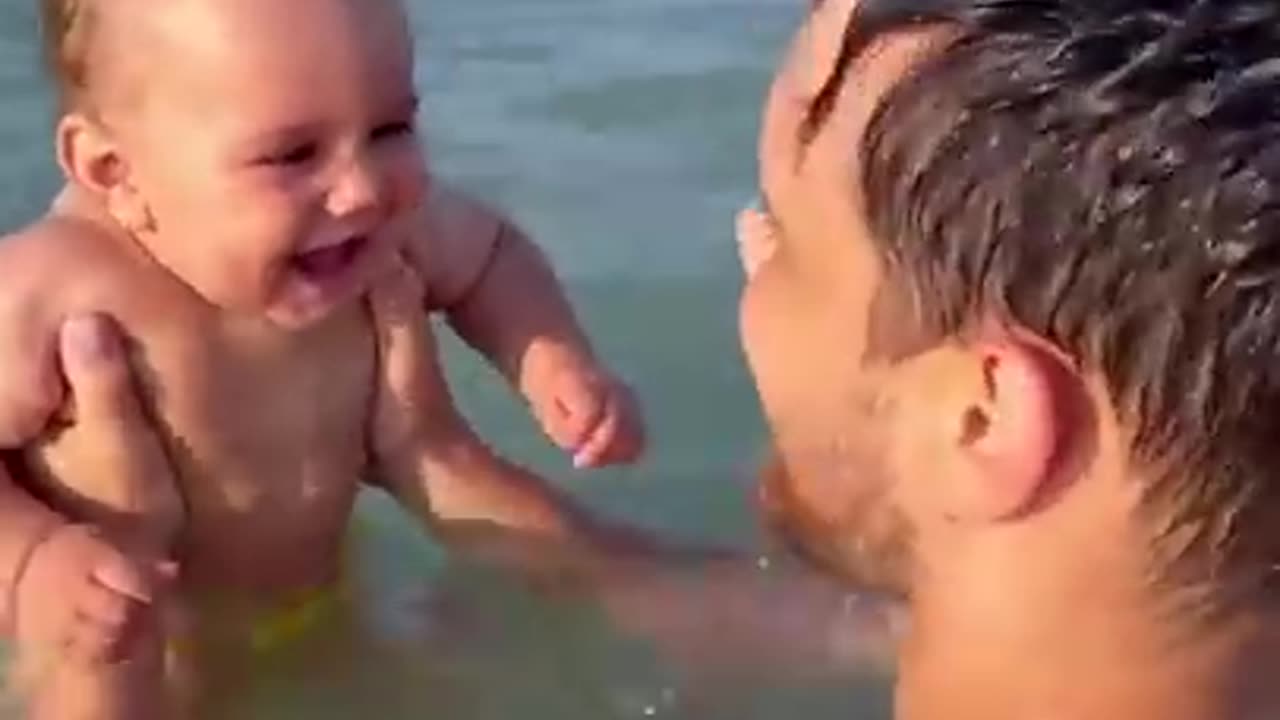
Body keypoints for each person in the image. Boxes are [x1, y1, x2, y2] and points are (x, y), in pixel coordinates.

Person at [0, 0, 644, 715]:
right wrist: (31, 561)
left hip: (324, 607)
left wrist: (551, 358)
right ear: (113, 170)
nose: (364, 187)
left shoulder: (371, 234)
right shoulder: (55, 288)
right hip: (128, 654)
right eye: (291, 154)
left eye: (391, 128)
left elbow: (487, 255)